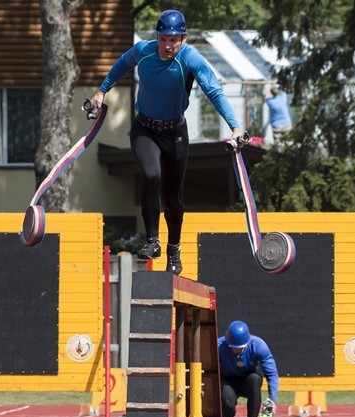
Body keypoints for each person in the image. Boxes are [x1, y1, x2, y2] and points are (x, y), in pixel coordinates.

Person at [89, 10, 243, 275]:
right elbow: (122, 65)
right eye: (163, 39)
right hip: (145, 129)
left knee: (173, 198)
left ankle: (173, 248)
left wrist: (235, 127)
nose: (168, 45)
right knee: (151, 175)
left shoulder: (190, 58)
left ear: (184, 38)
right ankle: (152, 241)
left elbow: (214, 91)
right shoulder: (143, 51)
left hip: (175, 134)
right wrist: (102, 91)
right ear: (156, 37)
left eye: (174, 40)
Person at [218, 320, 279, 417]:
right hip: (228, 381)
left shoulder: (258, 345)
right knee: (228, 402)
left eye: (239, 347)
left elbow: (271, 373)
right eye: (233, 346)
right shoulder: (219, 346)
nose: (236, 349)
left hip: (247, 380)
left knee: (255, 379)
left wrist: (272, 399)